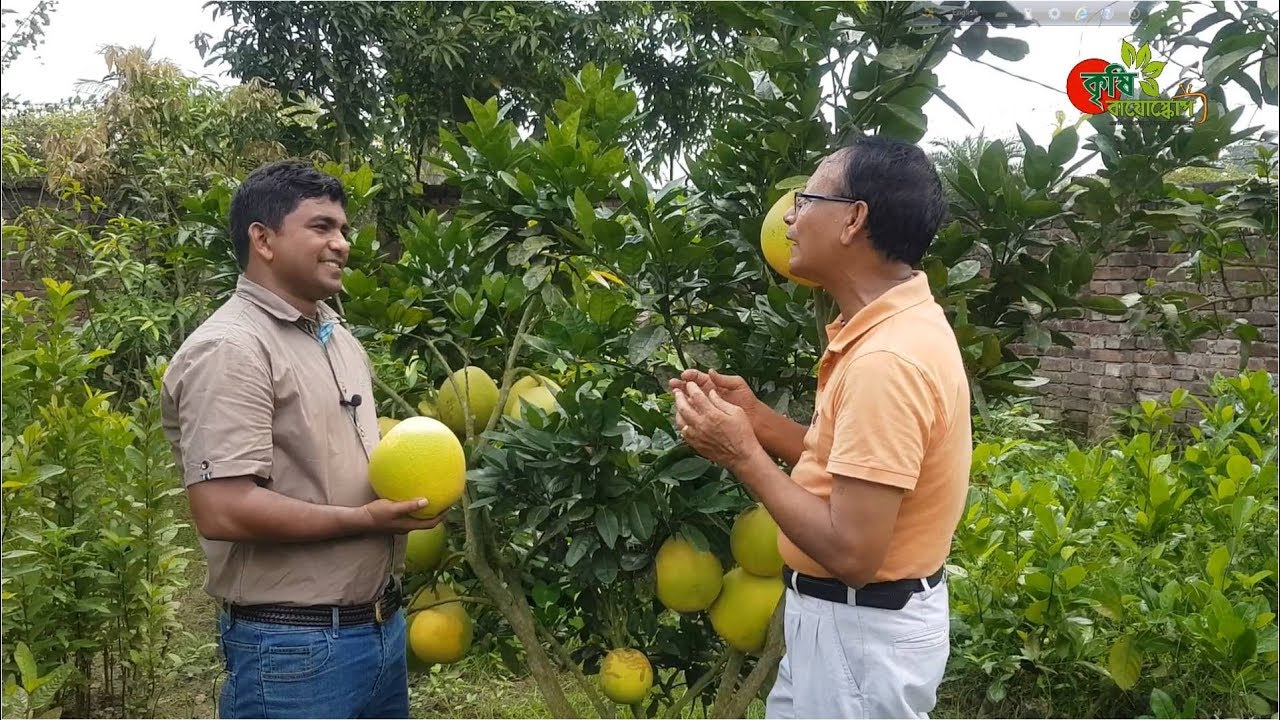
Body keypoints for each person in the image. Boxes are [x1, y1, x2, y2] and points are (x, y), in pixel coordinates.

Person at [670, 135, 970, 719]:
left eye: (806, 198)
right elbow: (848, 470)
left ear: (853, 219)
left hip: (860, 634)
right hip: (849, 626)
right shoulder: (892, 328)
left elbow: (854, 552)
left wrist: (741, 456)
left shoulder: (888, 362)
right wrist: (757, 423)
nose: (788, 214)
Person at [161, 159, 441, 719]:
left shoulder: (336, 337)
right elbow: (223, 510)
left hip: (380, 632)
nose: (341, 244)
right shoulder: (232, 350)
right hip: (294, 648)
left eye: (342, 229)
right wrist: (365, 520)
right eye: (321, 227)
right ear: (262, 239)